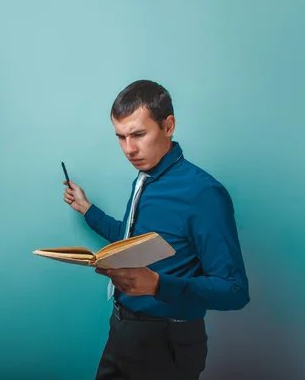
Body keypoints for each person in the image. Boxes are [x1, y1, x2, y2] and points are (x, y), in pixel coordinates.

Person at [62, 80, 250, 379]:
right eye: (121, 137)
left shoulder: (203, 194)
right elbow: (130, 239)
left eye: (138, 134)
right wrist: (86, 208)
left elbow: (236, 291)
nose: (129, 149)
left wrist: (158, 285)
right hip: (122, 328)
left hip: (167, 340)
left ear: (168, 125)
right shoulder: (144, 179)